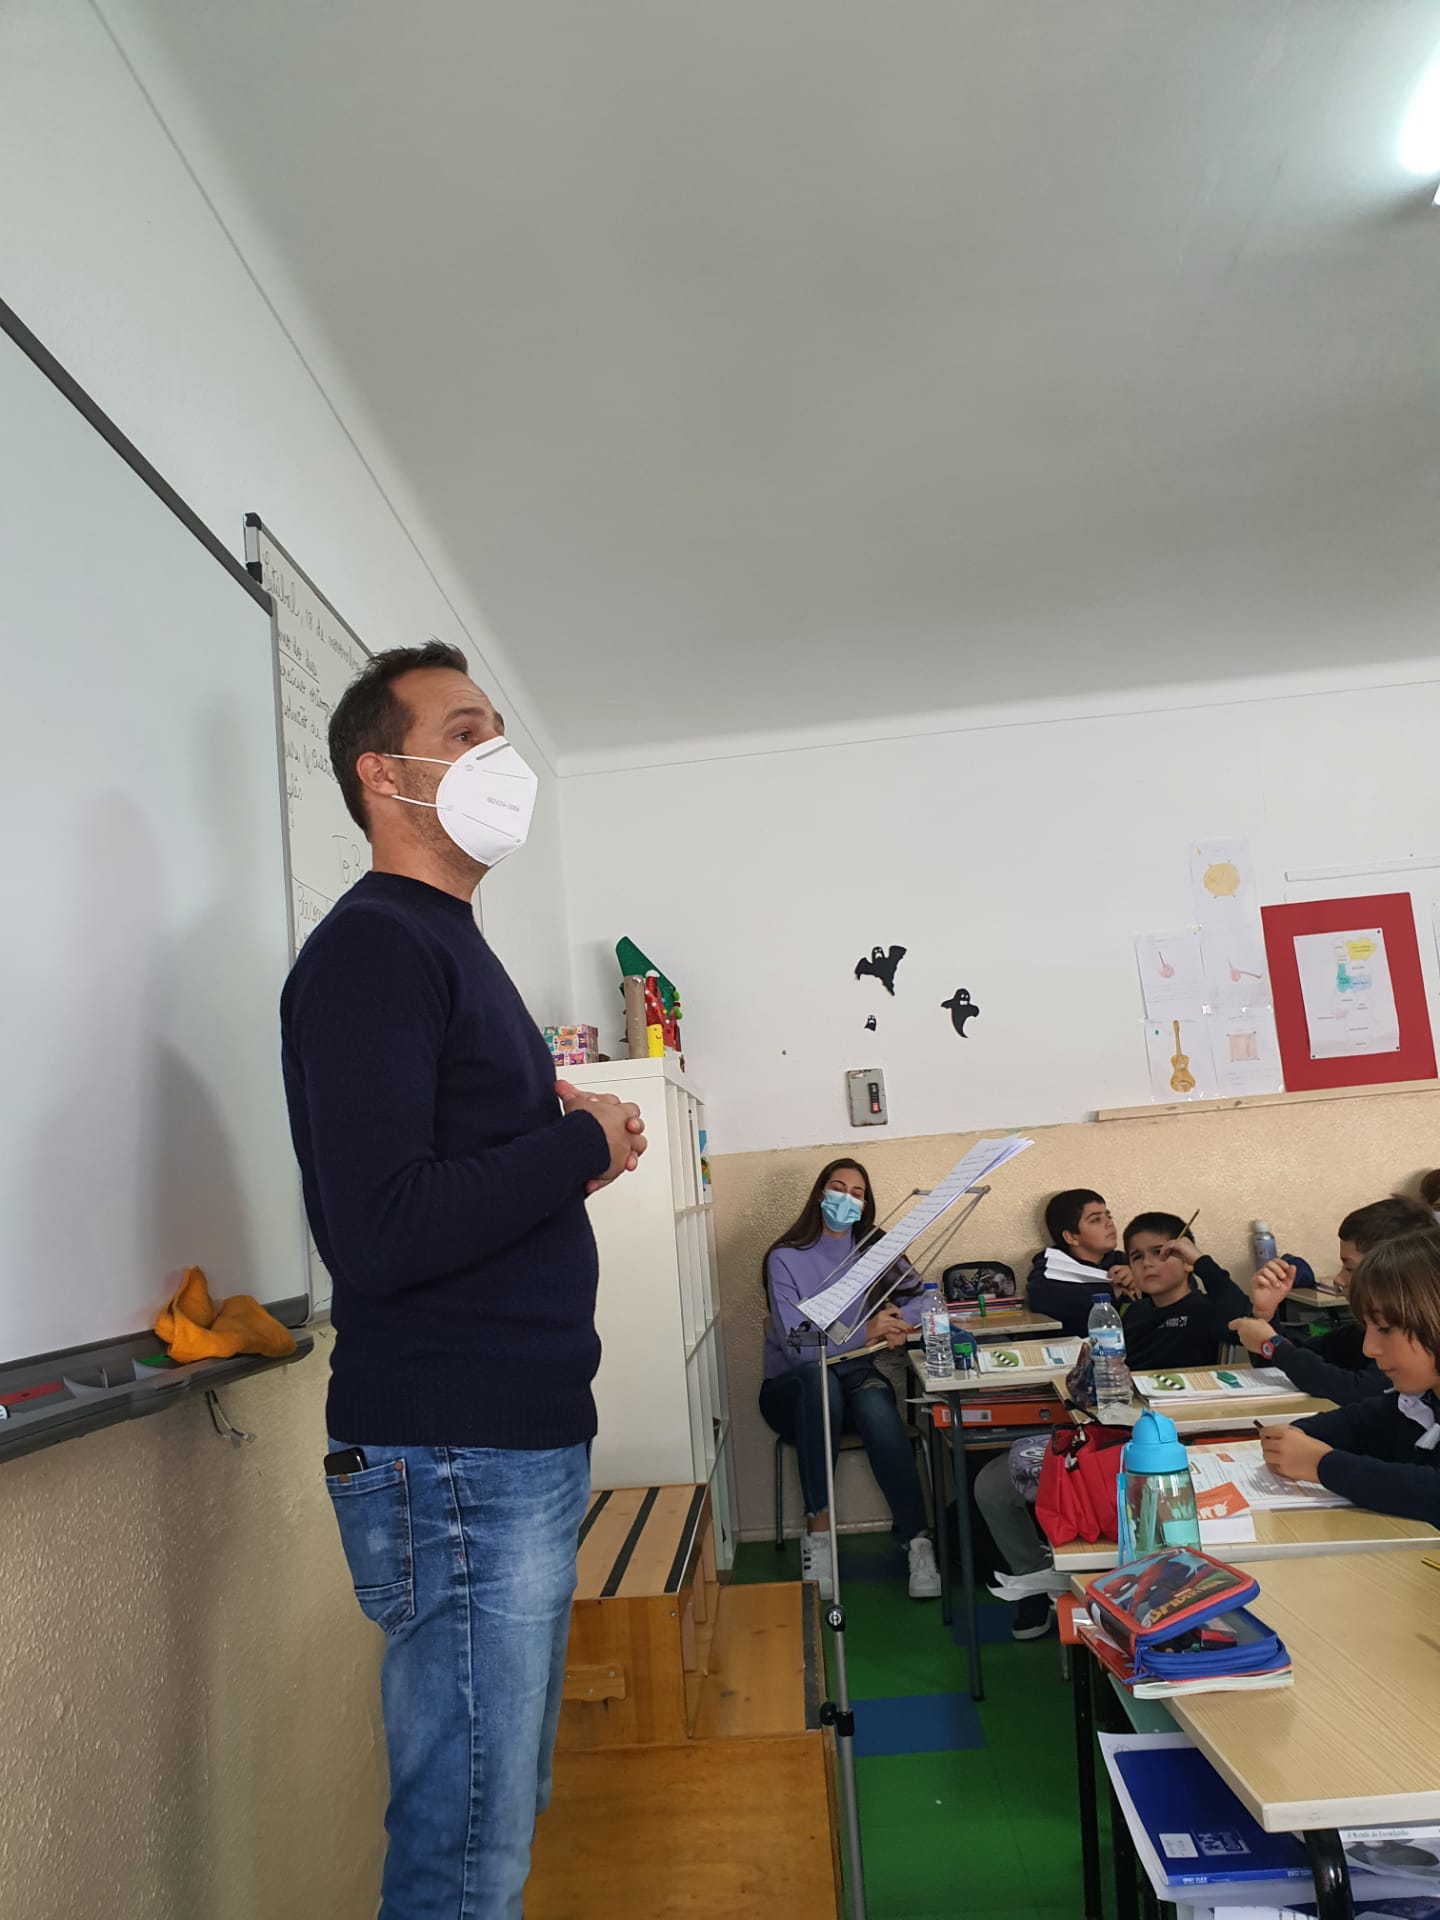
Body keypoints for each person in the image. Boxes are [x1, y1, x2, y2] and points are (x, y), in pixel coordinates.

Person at [280, 642, 647, 1919]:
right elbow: (379, 1229)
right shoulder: (375, 948)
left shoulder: (444, 940)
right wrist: (575, 1145)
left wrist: (563, 1149)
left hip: (503, 1443)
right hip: (455, 1452)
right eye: (463, 730)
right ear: (383, 776)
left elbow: (450, 1187)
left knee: (495, 1813)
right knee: (466, 1848)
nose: (498, 755)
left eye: (497, 730)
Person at [976, 1211, 1247, 1639]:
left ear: (1186, 1258)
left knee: (998, 1483)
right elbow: (1094, 1384)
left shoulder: (1206, 1310)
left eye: (1162, 1253)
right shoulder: (1131, 1314)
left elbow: (1240, 1315)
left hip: (1163, 1450)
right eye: (1137, 1256)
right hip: (1109, 1435)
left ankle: (1069, 1581)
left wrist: (1203, 1263)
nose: (1148, 1263)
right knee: (992, 1482)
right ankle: (1038, 1580)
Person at [759, 1159, 941, 1603]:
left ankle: (917, 1542)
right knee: (819, 1382)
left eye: (857, 1193)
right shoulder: (784, 1257)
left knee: (878, 1408)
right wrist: (868, 1330)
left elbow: (927, 1298)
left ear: (865, 1203)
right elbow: (798, 1345)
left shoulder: (874, 1250)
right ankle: (818, 1534)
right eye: (838, 1188)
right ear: (820, 1193)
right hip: (793, 1390)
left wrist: (897, 1319)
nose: (846, 1199)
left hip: (855, 1376)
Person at [1260, 1227, 1440, 1526]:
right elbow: (1359, 1421)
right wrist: (1294, 1435)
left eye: (1385, 1328)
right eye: (1367, 1327)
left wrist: (1322, 1464)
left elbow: (1432, 1493)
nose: (1369, 1348)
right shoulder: (1419, 1399)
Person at [1227, 1195, 1435, 1404]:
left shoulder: (1416, 1339)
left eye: (1350, 1268)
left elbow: (1359, 1392)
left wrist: (1273, 1345)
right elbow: (1288, 1362)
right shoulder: (1359, 1332)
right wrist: (1265, 1315)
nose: (1339, 1279)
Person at [1024, 1190, 1129, 1335]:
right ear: (1071, 1237)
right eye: (1095, 1220)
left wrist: (1139, 1278)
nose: (1109, 1223)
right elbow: (1042, 1300)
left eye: (1108, 1216)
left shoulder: (1124, 1262)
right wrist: (1111, 1291)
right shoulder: (1050, 1270)